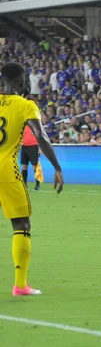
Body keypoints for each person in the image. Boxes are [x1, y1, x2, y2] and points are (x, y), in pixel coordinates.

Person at [0, 62, 64, 296]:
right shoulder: (26, 105)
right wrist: (57, 167)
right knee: (21, 224)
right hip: (6, 171)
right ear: (20, 81)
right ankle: (20, 285)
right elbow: (41, 137)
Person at [21, 125, 42, 191]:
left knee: (35, 166)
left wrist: (41, 148)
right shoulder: (23, 126)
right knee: (24, 166)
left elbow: (41, 137)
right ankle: (24, 185)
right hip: (24, 147)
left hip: (33, 147)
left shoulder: (35, 126)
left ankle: (37, 185)